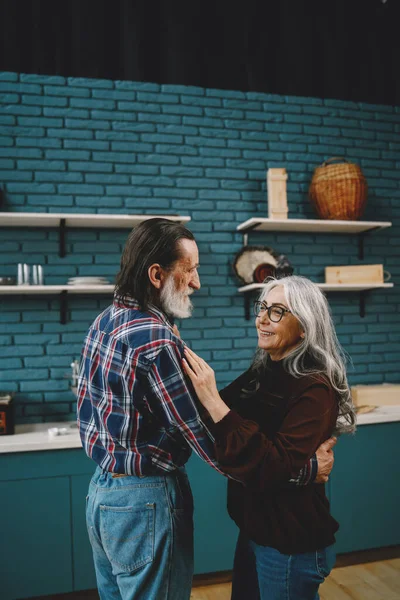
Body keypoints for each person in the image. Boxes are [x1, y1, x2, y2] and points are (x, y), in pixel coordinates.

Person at [77, 220, 336, 600]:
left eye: (275, 311)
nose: (197, 282)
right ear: (156, 274)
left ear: (304, 326)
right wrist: (308, 469)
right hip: (144, 500)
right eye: (190, 269)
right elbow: (212, 445)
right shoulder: (156, 337)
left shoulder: (107, 320)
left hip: (102, 494)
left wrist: (205, 391)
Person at [183, 275, 356, 600]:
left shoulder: (315, 388)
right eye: (263, 307)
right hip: (255, 530)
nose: (262, 318)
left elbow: (269, 463)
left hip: (292, 541)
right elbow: (214, 423)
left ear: (304, 326)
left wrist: (213, 400)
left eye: (277, 311)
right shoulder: (264, 371)